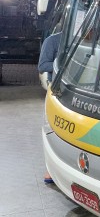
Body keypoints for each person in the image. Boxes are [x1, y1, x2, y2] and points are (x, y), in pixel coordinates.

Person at [37, 31, 61, 184]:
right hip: (58, 91)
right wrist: (62, 64)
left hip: (80, 91)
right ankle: (51, 169)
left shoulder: (93, 40)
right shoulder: (52, 40)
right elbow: (42, 65)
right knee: (52, 130)